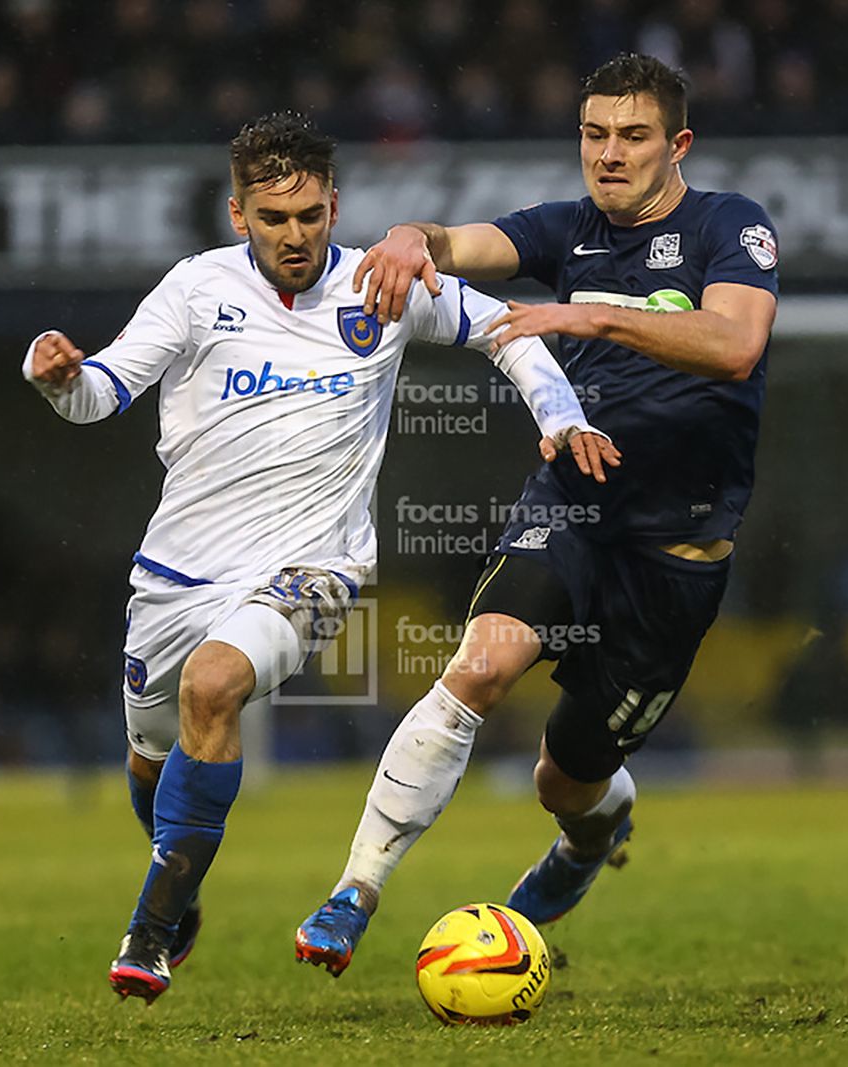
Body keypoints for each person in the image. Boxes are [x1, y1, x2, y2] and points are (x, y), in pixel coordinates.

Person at [22, 111, 617, 1005]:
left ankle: (149, 932)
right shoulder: (193, 290)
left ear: (335, 207)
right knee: (151, 767)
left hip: (313, 568)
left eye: (309, 216)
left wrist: (559, 414)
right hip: (177, 577)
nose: (294, 235)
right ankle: (179, 895)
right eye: (273, 219)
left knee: (212, 687)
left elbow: (511, 330)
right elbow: (101, 395)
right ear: (238, 216)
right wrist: (58, 378)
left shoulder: (385, 285)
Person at [294, 53, 779, 975]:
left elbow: (734, 343)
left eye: (632, 136)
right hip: (574, 504)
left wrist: (586, 318)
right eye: (594, 134)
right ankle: (353, 892)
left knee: (566, 777)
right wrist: (407, 237)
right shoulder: (568, 230)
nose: (608, 154)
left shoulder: (730, 225)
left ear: (678, 145)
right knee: (482, 664)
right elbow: (455, 243)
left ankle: (588, 840)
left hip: (676, 558)